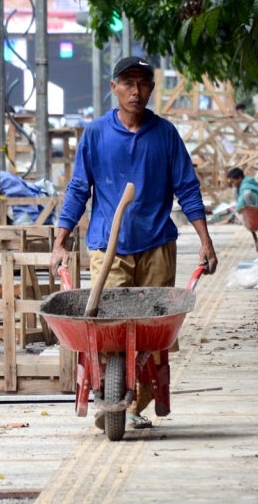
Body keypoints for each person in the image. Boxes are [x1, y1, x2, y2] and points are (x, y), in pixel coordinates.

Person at [49, 56, 218, 430]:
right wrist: (61, 240)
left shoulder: (166, 135)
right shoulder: (96, 134)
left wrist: (205, 241)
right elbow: (79, 188)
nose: (135, 91)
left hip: (157, 245)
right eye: (128, 83)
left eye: (143, 83)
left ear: (152, 89)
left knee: (152, 336)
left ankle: (135, 402)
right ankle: (111, 395)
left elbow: (187, 188)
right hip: (108, 249)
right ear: (114, 87)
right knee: (108, 330)